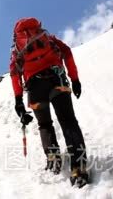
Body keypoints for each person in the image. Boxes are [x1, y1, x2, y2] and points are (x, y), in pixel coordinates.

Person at [9, 17, 89, 187]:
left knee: (45, 125)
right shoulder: (47, 38)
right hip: (57, 80)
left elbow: (15, 74)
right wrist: (74, 79)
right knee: (68, 121)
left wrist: (18, 102)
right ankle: (79, 166)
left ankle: (53, 159)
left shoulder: (17, 50)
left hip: (35, 89)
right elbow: (66, 51)